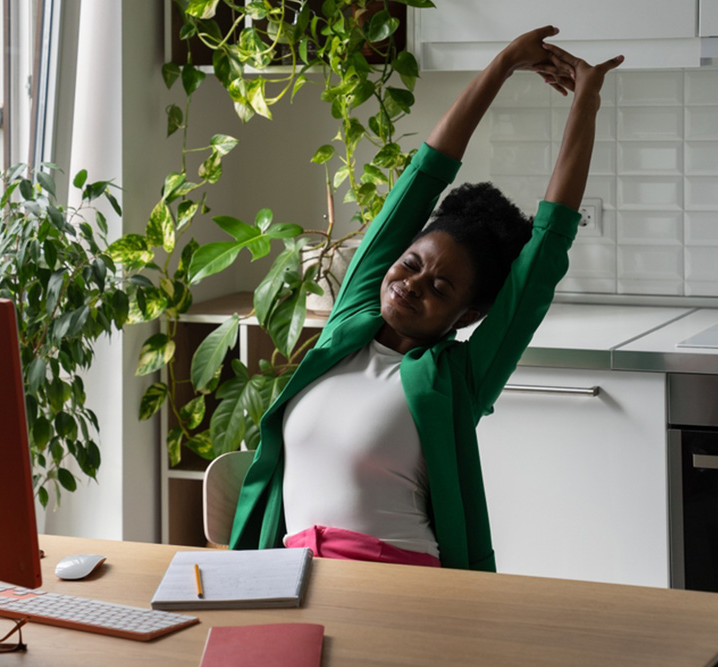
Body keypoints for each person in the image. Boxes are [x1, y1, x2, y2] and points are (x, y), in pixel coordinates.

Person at [228, 26, 624, 572]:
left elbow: (546, 250)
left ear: (470, 314)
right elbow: (422, 179)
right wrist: (504, 62)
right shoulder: (350, 326)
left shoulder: (456, 378)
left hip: (402, 584)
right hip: (294, 574)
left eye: (440, 287)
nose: (411, 283)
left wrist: (586, 101)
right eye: (411, 264)